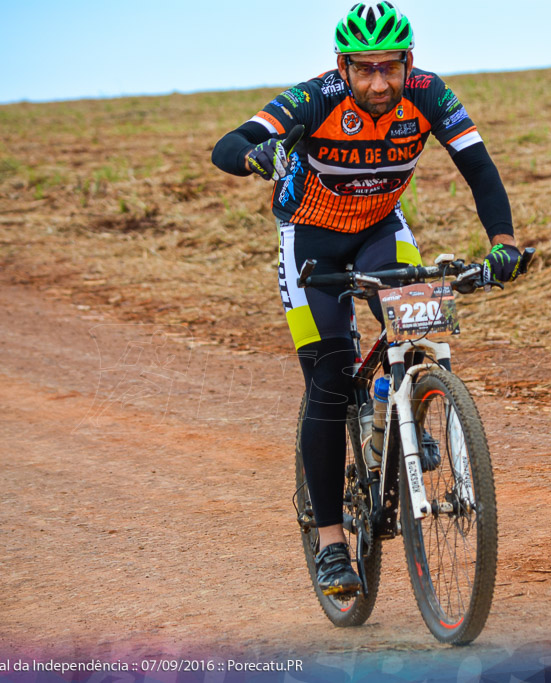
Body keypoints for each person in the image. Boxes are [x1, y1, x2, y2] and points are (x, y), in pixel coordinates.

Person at [211, 1, 523, 597]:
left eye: (389, 68)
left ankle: (403, 400)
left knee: (425, 325)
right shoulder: (314, 98)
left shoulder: (430, 95)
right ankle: (331, 542)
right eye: (363, 69)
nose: (378, 83)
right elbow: (231, 143)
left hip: (382, 228)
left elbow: (479, 168)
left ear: (409, 62)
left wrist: (503, 244)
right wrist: (260, 155)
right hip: (311, 241)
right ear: (342, 66)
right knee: (328, 381)